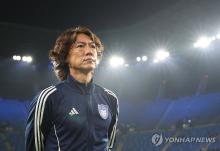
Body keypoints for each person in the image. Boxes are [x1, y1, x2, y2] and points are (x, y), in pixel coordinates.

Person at [25, 26, 119, 151]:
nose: (89, 51)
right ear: (65, 56)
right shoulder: (48, 98)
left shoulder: (110, 98)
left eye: (92, 46)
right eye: (80, 46)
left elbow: (109, 146)